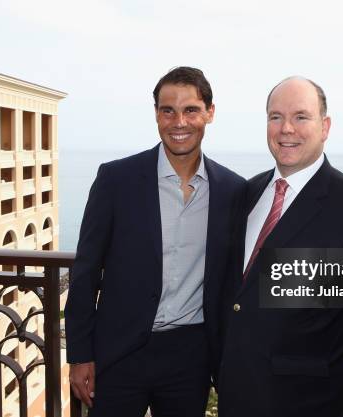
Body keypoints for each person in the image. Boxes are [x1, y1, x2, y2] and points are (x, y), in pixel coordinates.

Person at [65, 66, 245, 417]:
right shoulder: (116, 180)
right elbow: (85, 272)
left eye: (191, 110)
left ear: (210, 112)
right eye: (168, 110)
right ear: (157, 116)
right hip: (119, 352)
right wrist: (79, 354)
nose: (179, 122)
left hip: (190, 357)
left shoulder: (232, 190)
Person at [218, 77, 343, 417]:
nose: (286, 128)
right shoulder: (247, 195)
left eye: (301, 116)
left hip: (308, 404)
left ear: (325, 126)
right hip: (235, 397)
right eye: (275, 117)